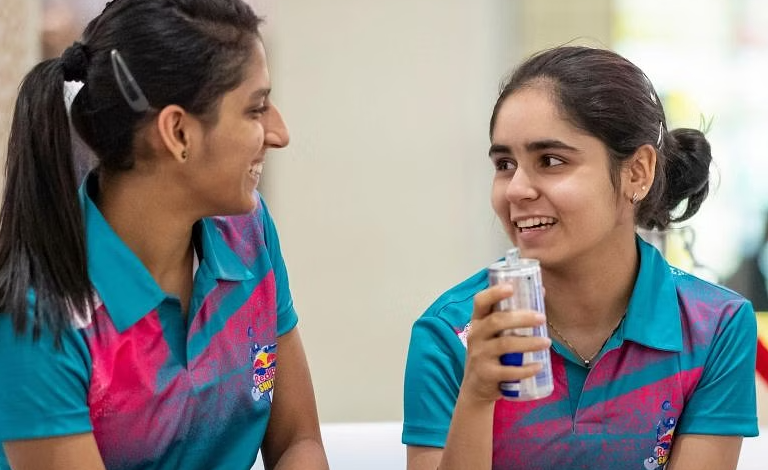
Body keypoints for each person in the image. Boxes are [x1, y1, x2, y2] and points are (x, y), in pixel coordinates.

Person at [0, 1, 328, 469]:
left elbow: (299, 441)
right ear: (177, 132)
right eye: (255, 109)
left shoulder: (248, 233)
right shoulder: (40, 315)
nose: (279, 133)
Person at [403, 46, 758, 470]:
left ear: (637, 173)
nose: (516, 189)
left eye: (550, 161)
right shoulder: (450, 334)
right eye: (504, 163)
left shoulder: (714, 327)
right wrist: (477, 396)